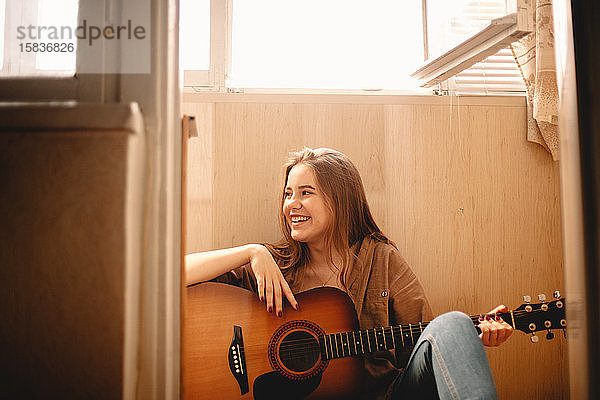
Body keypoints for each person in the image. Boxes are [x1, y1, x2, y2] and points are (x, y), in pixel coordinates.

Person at [185, 147, 513, 400]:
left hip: (383, 395)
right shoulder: (272, 265)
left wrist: (464, 337)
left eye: (305, 193)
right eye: (288, 193)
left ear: (339, 199)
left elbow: (425, 340)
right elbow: (168, 275)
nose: (291, 205)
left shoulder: (382, 260)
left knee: (453, 323)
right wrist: (251, 251)